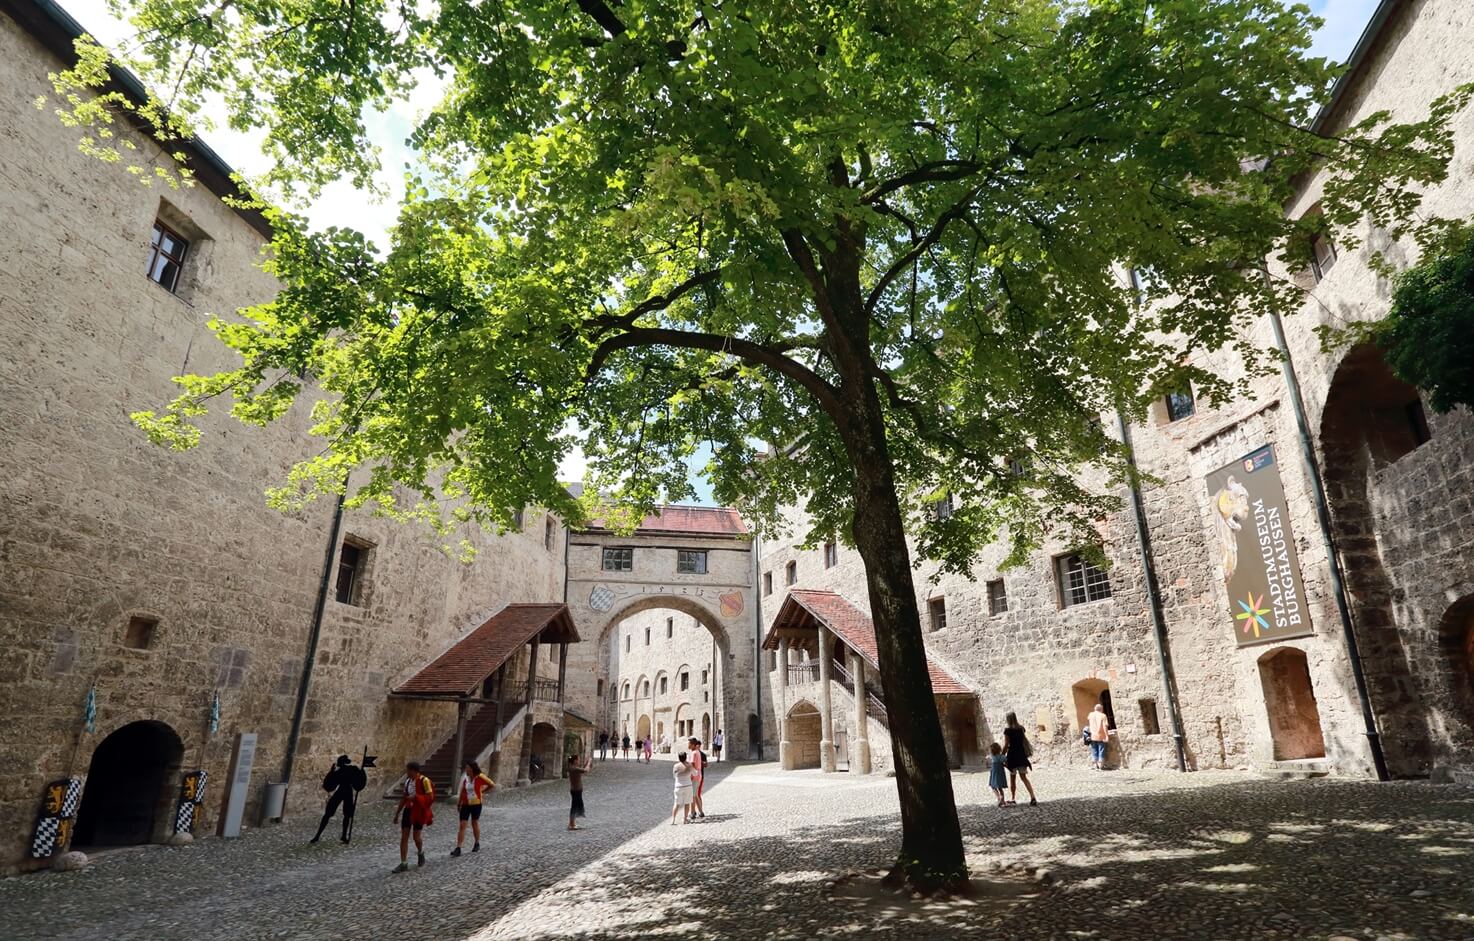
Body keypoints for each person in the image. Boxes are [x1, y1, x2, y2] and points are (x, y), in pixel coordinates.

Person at [311, 754, 367, 844]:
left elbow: (330, 784)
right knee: (343, 815)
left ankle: (319, 835)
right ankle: (342, 836)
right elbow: (358, 780)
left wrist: (331, 772)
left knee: (333, 814)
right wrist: (362, 771)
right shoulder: (351, 770)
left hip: (342, 791)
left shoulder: (343, 771)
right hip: (346, 792)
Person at [392, 761, 435, 873]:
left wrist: (417, 797)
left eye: (408, 770)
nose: (407, 772)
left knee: (416, 837)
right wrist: (397, 813)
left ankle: (420, 852)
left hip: (419, 811)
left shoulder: (424, 781)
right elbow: (404, 798)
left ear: (413, 770)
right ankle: (403, 863)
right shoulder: (407, 782)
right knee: (404, 837)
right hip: (408, 810)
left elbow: (430, 797)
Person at [451, 760, 494, 856]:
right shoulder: (466, 778)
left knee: (474, 823)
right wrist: (459, 803)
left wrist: (482, 791)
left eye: (467, 768)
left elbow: (491, 784)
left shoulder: (480, 777)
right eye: (466, 768)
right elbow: (463, 791)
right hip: (466, 804)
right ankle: (458, 847)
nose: (466, 769)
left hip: (476, 804)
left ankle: (477, 843)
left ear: (472, 768)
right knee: (462, 825)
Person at [1001, 712, 1038, 806]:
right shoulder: (1021, 729)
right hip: (1021, 755)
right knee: (1024, 778)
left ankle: (1013, 798)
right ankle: (1032, 797)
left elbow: (1006, 744)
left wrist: (1002, 755)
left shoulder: (1007, 730)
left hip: (1012, 756)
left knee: (1012, 778)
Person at [567, 753, 592, 830]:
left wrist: (586, 763)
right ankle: (571, 824)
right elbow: (586, 770)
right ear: (575, 761)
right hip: (576, 790)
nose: (579, 761)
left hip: (576, 790)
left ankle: (572, 823)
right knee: (574, 807)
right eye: (578, 759)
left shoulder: (573, 768)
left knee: (575, 806)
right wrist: (589, 762)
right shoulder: (574, 769)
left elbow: (582, 769)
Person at [671, 752, 694, 824]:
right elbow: (695, 773)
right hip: (688, 786)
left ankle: (673, 819)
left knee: (676, 803)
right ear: (685, 757)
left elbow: (674, 776)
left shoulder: (676, 766)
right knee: (687, 803)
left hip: (678, 786)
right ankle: (685, 819)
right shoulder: (689, 765)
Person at [687, 737, 707, 819]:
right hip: (698, 775)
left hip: (694, 776)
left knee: (693, 795)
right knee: (696, 795)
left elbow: (692, 765)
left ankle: (692, 812)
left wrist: (690, 775)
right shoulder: (697, 752)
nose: (688, 745)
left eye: (689, 744)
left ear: (692, 745)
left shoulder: (694, 753)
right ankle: (701, 812)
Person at [1088, 703, 1111, 770]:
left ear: (1095, 709)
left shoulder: (1090, 715)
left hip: (1093, 735)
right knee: (1101, 750)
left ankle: (1095, 765)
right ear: (1101, 709)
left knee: (1094, 750)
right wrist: (1106, 736)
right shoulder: (1103, 715)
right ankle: (1100, 766)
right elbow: (1105, 726)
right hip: (1101, 735)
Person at [987, 742, 1007, 807]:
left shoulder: (992, 757)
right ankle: (1002, 800)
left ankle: (998, 797)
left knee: (993, 786)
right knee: (1000, 788)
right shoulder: (1002, 757)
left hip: (994, 773)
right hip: (1000, 773)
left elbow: (987, 758)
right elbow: (1006, 761)